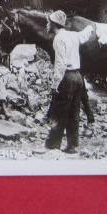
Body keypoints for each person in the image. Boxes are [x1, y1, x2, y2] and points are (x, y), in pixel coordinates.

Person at [45, 10, 95, 154]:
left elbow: (60, 64)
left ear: (54, 24)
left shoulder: (58, 39)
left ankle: (53, 144)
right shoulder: (73, 35)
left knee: (60, 111)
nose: (47, 25)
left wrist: (55, 84)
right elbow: (85, 35)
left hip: (66, 77)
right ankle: (72, 145)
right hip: (78, 77)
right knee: (74, 112)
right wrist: (91, 27)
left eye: (49, 22)